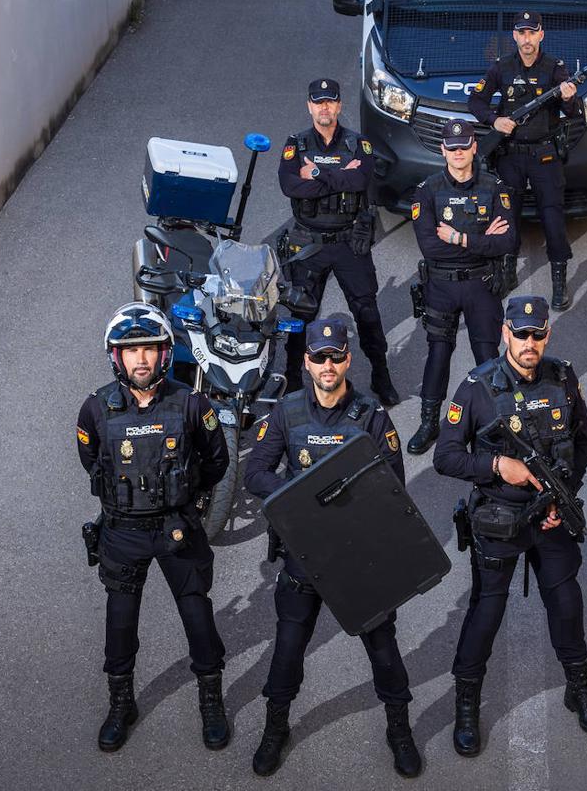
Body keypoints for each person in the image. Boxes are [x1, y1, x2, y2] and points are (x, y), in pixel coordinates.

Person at [242, 318, 421, 778]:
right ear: (306, 361)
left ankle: (399, 728)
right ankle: (274, 728)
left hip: (359, 559)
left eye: (336, 356)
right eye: (319, 357)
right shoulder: (287, 411)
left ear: (348, 359)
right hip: (304, 557)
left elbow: (393, 484)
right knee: (287, 651)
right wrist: (299, 495)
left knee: (383, 651)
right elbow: (256, 471)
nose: (328, 365)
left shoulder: (371, 415)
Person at [434, 295, 587, 756]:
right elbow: (445, 456)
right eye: (521, 333)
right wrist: (496, 466)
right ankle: (467, 704)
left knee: (567, 604)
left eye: (538, 334)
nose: (530, 343)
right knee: (486, 613)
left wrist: (561, 493)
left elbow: (585, 442)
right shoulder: (476, 387)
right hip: (500, 518)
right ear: (505, 332)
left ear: (547, 334)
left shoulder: (564, 377)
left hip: (550, 520)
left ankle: (580, 687)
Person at [75, 303, 231, 753]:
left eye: (148, 348)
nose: (140, 359)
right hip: (122, 533)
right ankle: (121, 704)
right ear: (115, 356)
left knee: (197, 617)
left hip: (176, 528)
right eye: (130, 350)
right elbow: (92, 463)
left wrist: (186, 499)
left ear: (165, 353)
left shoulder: (191, 403)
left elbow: (216, 460)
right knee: (120, 623)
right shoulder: (95, 409)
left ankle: (211, 701)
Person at [278, 78, 400, 407]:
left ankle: (380, 374)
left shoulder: (358, 144)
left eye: (330, 102)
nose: (324, 108)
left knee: (367, 312)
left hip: (349, 242)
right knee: (299, 317)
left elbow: (361, 180)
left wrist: (316, 175)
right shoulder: (297, 144)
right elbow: (289, 186)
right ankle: (291, 380)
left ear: (339, 106)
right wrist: (339, 177)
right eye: (318, 102)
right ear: (309, 106)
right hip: (308, 243)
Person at [406, 118, 517, 455]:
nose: (457, 152)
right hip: (440, 283)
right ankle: (428, 423)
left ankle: (496, 425)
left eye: (463, 146)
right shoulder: (427, 191)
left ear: (473, 148)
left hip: (481, 284)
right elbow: (430, 247)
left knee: (487, 357)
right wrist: (483, 239)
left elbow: (509, 241)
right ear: (443, 150)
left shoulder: (495, 187)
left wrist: (460, 237)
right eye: (451, 147)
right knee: (438, 353)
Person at [468, 11, 581, 311]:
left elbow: (574, 112)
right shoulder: (501, 68)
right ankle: (507, 273)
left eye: (532, 32)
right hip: (510, 154)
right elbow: (475, 101)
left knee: (553, 218)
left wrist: (569, 98)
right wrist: (495, 120)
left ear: (541, 34)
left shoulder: (555, 69)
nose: (527, 38)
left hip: (544, 155)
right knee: (506, 216)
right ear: (515, 36)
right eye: (522, 33)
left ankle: (559, 282)